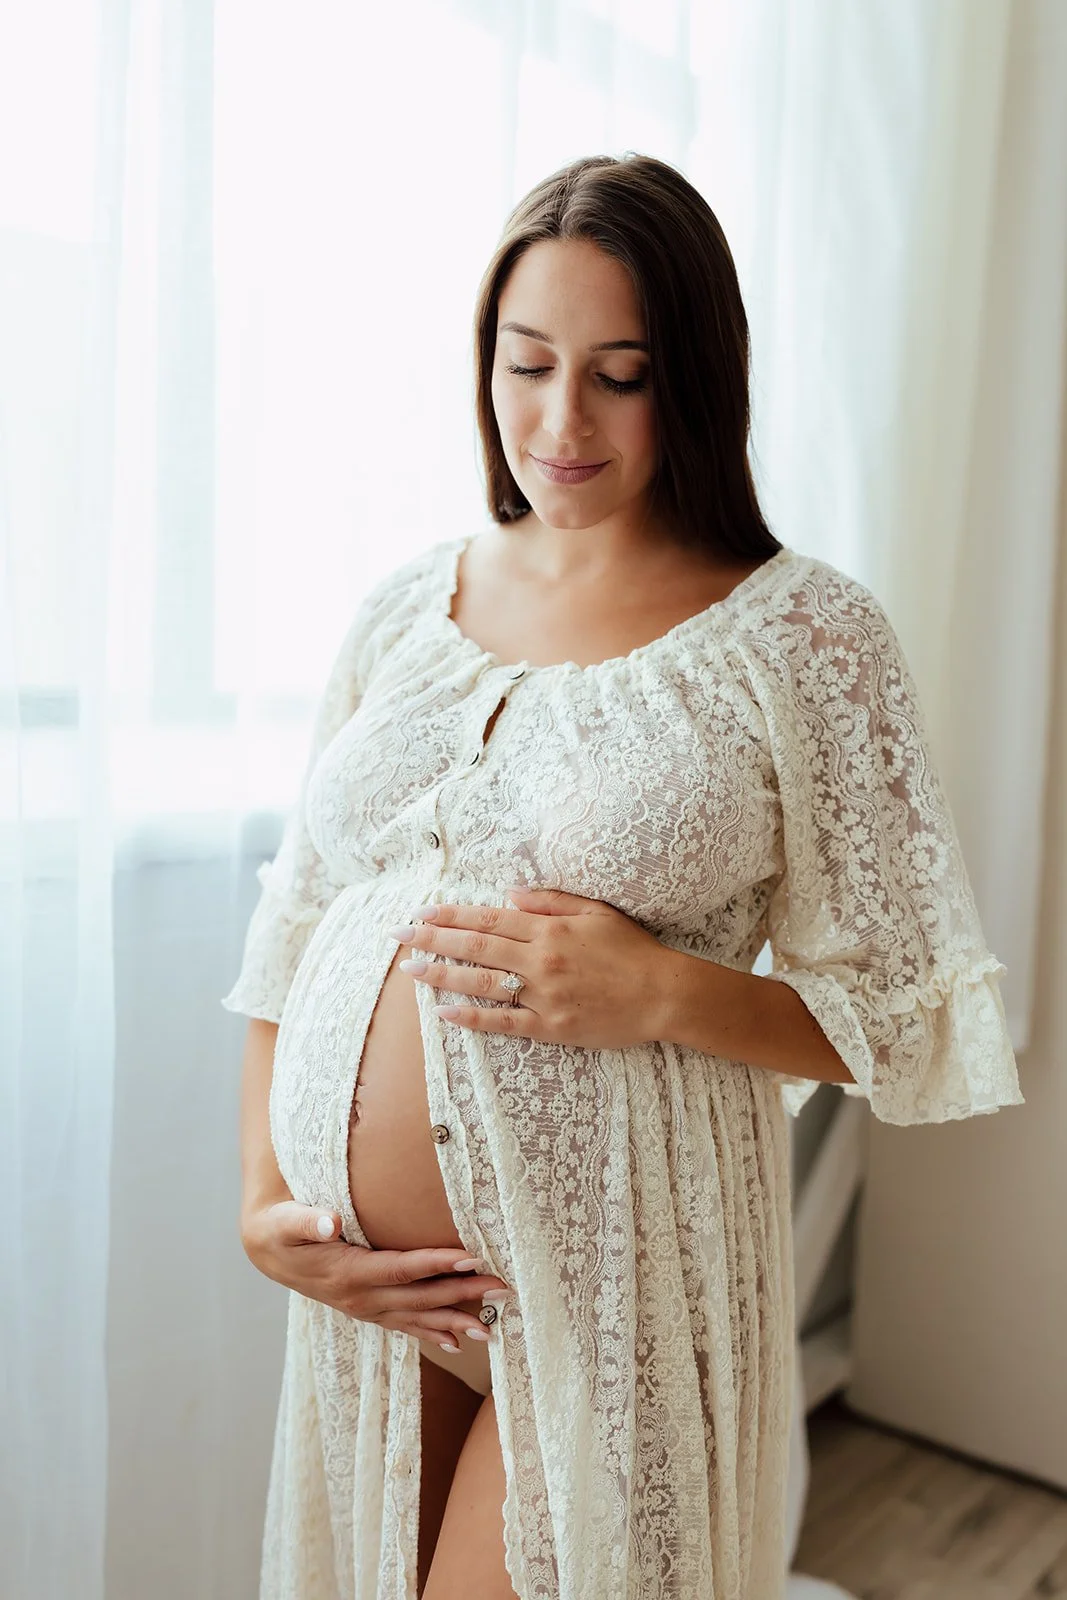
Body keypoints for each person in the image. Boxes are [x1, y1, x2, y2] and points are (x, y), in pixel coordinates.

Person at [222, 153, 1024, 1600]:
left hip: (612, 1282)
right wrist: (265, 1203)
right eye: (525, 364)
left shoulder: (805, 640)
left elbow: (908, 1022)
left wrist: (660, 988)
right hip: (370, 1294)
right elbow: (294, 926)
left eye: (619, 373)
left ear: (695, 382)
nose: (558, 421)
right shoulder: (408, 602)